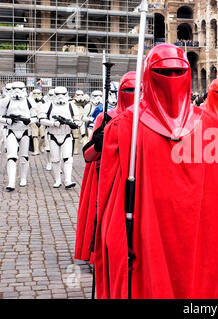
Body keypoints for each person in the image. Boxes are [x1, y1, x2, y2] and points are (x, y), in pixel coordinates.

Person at [93, 44, 218, 299]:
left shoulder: (210, 125)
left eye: (178, 72)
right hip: (148, 230)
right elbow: (112, 199)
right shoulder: (125, 126)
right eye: (163, 73)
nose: (171, 80)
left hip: (201, 230)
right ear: (149, 74)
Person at [75, 72, 136, 263]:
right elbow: (88, 155)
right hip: (108, 176)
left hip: (135, 177)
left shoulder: (147, 119)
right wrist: (99, 143)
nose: (133, 93)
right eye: (129, 90)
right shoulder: (106, 117)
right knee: (104, 219)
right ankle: (100, 254)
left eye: (138, 90)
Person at [39, 86, 80, 189]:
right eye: (58, 94)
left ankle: (67, 180)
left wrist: (73, 124)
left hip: (66, 135)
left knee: (68, 158)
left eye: (63, 94)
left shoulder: (71, 106)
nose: (60, 97)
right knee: (55, 159)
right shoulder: (48, 106)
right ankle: (57, 180)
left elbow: (78, 120)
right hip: (53, 135)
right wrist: (53, 123)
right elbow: (41, 119)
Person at [0, 82, 38, 191]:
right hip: (11, 130)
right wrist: (7, 120)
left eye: (19, 88)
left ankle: (23, 178)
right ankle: (11, 182)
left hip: (25, 131)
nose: (17, 91)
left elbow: (36, 117)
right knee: (11, 157)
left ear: (24, 89)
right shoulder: (6, 101)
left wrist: (29, 121)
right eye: (14, 89)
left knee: (24, 157)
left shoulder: (29, 101)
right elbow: (0, 116)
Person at [30, 89, 44, 155]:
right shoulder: (30, 102)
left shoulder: (44, 102)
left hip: (42, 120)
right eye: (35, 93)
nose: (36, 95)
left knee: (43, 136)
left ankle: (40, 146)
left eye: (38, 93)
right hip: (33, 120)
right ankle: (36, 150)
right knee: (34, 136)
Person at [72, 90, 86, 155]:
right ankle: (75, 150)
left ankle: (85, 150)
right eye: (78, 95)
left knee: (84, 136)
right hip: (75, 121)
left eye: (81, 95)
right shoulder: (72, 103)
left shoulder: (85, 103)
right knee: (75, 137)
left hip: (83, 121)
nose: (80, 97)